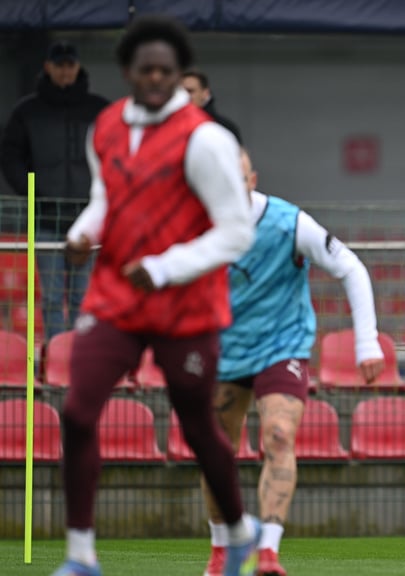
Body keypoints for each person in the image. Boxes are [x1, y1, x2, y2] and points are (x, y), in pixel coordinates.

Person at [53, 16, 258, 576]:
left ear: (179, 74)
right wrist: (84, 232)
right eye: (146, 70)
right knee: (76, 412)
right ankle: (80, 556)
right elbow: (105, 198)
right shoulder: (106, 126)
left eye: (167, 71)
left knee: (196, 427)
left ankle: (239, 531)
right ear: (128, 71)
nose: (156, 79)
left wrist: (167, 267)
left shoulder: (207, 140)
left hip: (185, 307)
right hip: (116, 297)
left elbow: (236, 230)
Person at [200, 149, 385, 576]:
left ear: (252, 179)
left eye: (239, 177)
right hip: (225, 351)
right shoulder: (198, 226)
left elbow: (351, 268)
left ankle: (267, 553)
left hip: (283, 347)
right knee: (216, 453)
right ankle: (221, 549)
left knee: (279, 436)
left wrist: (367, 343)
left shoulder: (288, 223)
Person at [0, 40, 108, 341]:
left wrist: (104, 193)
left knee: (81, 296)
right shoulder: (27, 110)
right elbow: (10, 156)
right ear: (47, 67)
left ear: (77, 67)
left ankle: (76, 358)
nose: (65, 71)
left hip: (87, 218)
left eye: (69, 64)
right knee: (49, 296)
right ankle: (54, 357)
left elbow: (116, 154)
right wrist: (31, 191)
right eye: (59, 64)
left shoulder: (99, 110)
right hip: (45, 217)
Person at [182, 68, 243, 144]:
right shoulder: (171, 125)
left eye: (190, 91)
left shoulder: (225, 128)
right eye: (181, 91)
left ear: (205, 93)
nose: (184, 95)